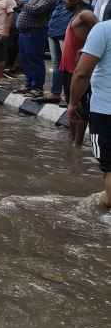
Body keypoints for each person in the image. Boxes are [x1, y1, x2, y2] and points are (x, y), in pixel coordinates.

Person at [67, 16, 111, 208]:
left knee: (110, 167)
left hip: (105, 111)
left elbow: (82, 73)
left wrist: (73, 103)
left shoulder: (103, 29)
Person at [47, 0, 92, 104]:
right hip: (54, 26)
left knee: (71, 65)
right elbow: (59, 5)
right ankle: (56, 93)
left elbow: (87, 10)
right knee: (57, 63)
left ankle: (72, 98)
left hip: (70, 30)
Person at [14, 0, 57, 97]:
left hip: (36, 31)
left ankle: (37, 87)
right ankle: (28, 84)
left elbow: (35, 10)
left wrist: (21, 3)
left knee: (34, 59)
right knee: (25, 59)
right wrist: (19, 6)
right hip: (24, 32)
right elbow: (29, 8)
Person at [59, 0, 97, 109]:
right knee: (71, 103)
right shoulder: (75, 15)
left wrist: (86, 49)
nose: (64, 0)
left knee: (78, 106)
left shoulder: (86, 15)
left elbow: (101, 33)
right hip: (67, 67)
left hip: (77, 68)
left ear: (77, 0)